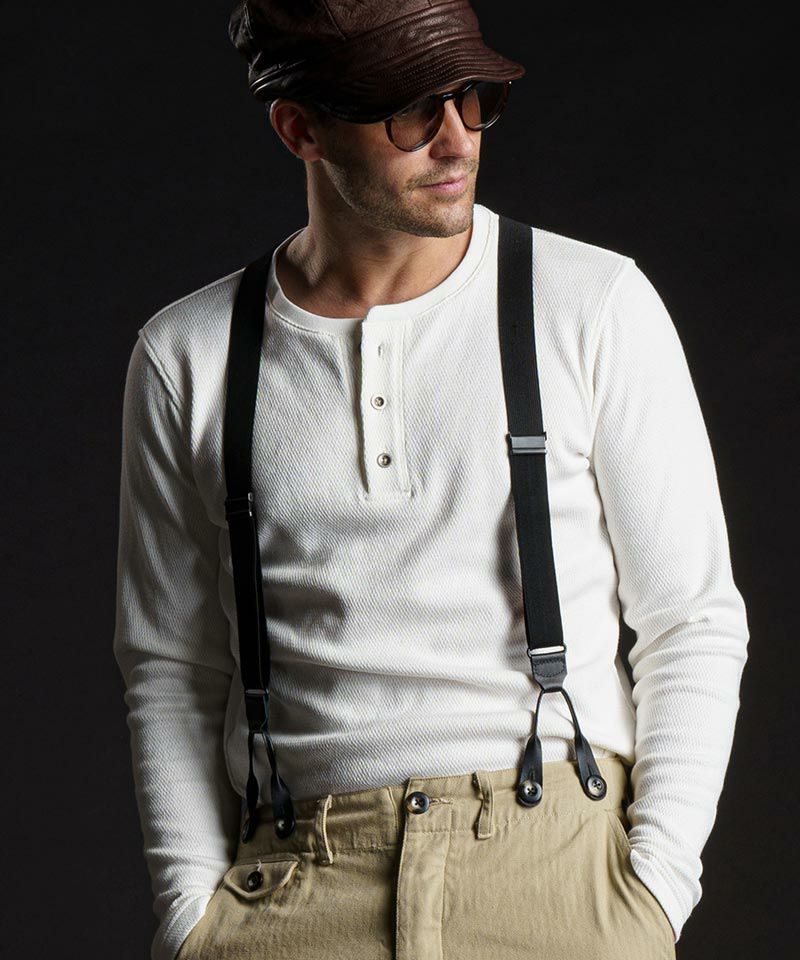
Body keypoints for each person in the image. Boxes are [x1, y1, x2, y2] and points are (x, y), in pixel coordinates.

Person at [112, 3, 750, 959]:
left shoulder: (591, 304)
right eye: (409, 111)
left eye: (471, 97)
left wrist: (654, 894)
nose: (457, 139)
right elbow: (170, 667)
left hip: (559, 875)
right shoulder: (188, 356)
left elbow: (692, 618)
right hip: (298, 880)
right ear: (300, 128)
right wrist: (191, 920)